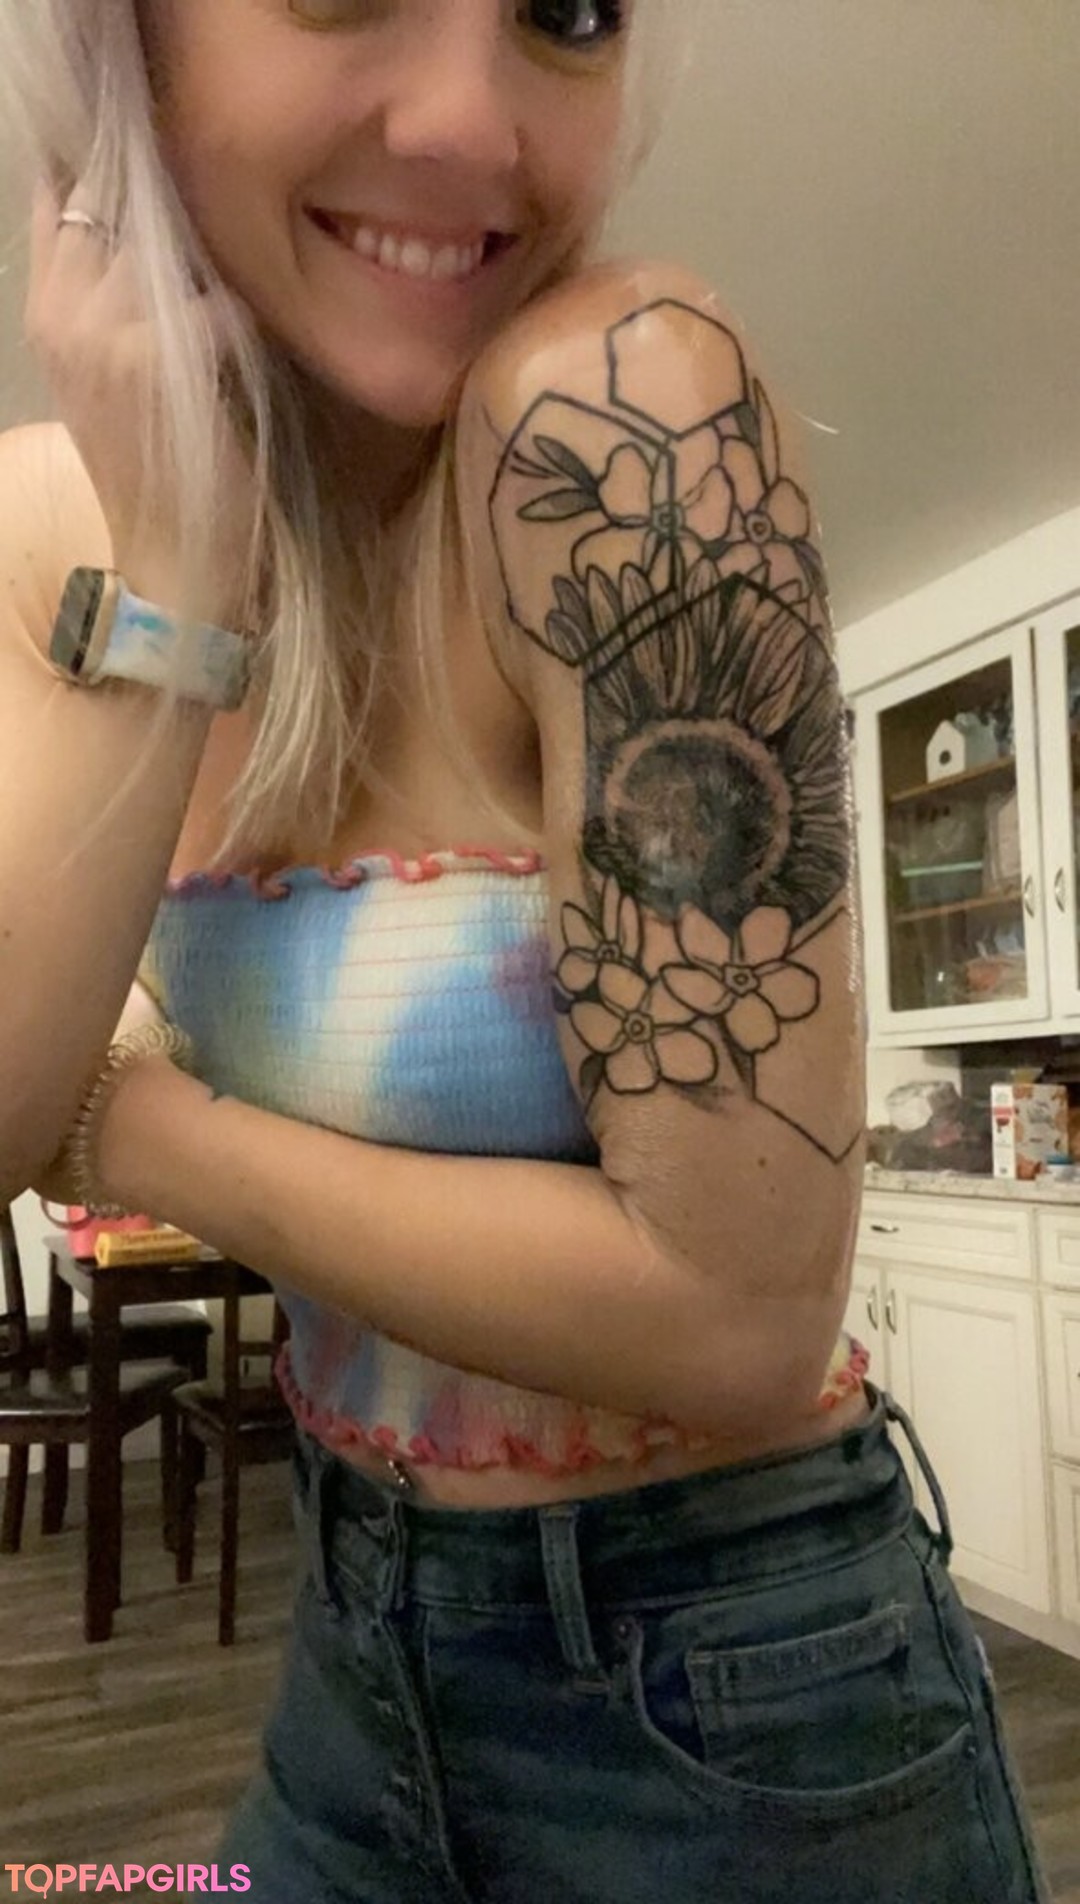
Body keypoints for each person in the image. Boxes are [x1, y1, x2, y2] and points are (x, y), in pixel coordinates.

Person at [0, 3, 1050, 1899]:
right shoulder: (50, 523)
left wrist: (129, 1125)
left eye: (565, 7)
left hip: (738, 1696)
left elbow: (735, 1322)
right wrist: (174, 581)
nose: (474, 126)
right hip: (352, 1647)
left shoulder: (621, 416)